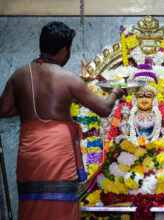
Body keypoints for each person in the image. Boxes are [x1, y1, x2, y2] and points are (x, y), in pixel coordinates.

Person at [0, 21, 125, 220]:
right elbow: (103, 109)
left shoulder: (19, 75)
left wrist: (27, 107)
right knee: (59, 206)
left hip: (29, 153)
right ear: (64, 50)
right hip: (57, 151)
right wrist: (116, 93)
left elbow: (3, 110)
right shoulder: (68, 78)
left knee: (32, 204)